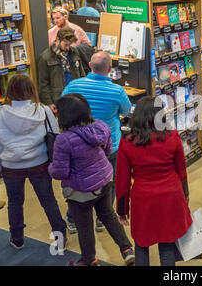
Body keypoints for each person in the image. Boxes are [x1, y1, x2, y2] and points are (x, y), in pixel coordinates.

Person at [48, 93, 135, 266]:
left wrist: (49, 167)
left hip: (80, 191)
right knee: (108, 216)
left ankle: (89, 260)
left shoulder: (64, 140)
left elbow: (60, 172)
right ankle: (127, 249)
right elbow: (108, 151)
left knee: (84, 226)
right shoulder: (100, 126)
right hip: (104, 180)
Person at [0, 75, 66, 250]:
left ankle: (17, 239)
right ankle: (60, 237)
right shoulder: (43, 111)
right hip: (40, 163)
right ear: (32, 90)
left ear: (9, 91)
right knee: (48, 200)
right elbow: (55, 136)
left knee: (14, 203)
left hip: (11, 167)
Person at [115, 96, 192, 266]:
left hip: (143, 200)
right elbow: (182, 170)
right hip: (170, 196)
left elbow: (122, 180)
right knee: (167, 244)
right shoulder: (172, 136)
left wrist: (122, 209)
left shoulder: (127, 142)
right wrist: (185, 195)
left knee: (142, 244)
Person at [62, 51, 131, 229]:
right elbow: (126, 110)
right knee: (110, 180)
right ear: (109, 69)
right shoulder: (117, 90)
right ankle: (103, 219)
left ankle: (72, 220)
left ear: (90, 66)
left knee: (76, 182)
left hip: (77, 144)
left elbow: (62, 104)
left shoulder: (74, 85)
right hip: (108, 144)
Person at [38, 27, 86, 112]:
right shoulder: (45, 57)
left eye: (70, 44)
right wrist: (49, 103)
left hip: (75, 97)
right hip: (59, 100)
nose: (68, 48)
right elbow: (43, 84)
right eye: (66, 44)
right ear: (57, 39)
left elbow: (81, 74)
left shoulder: (74, 52)